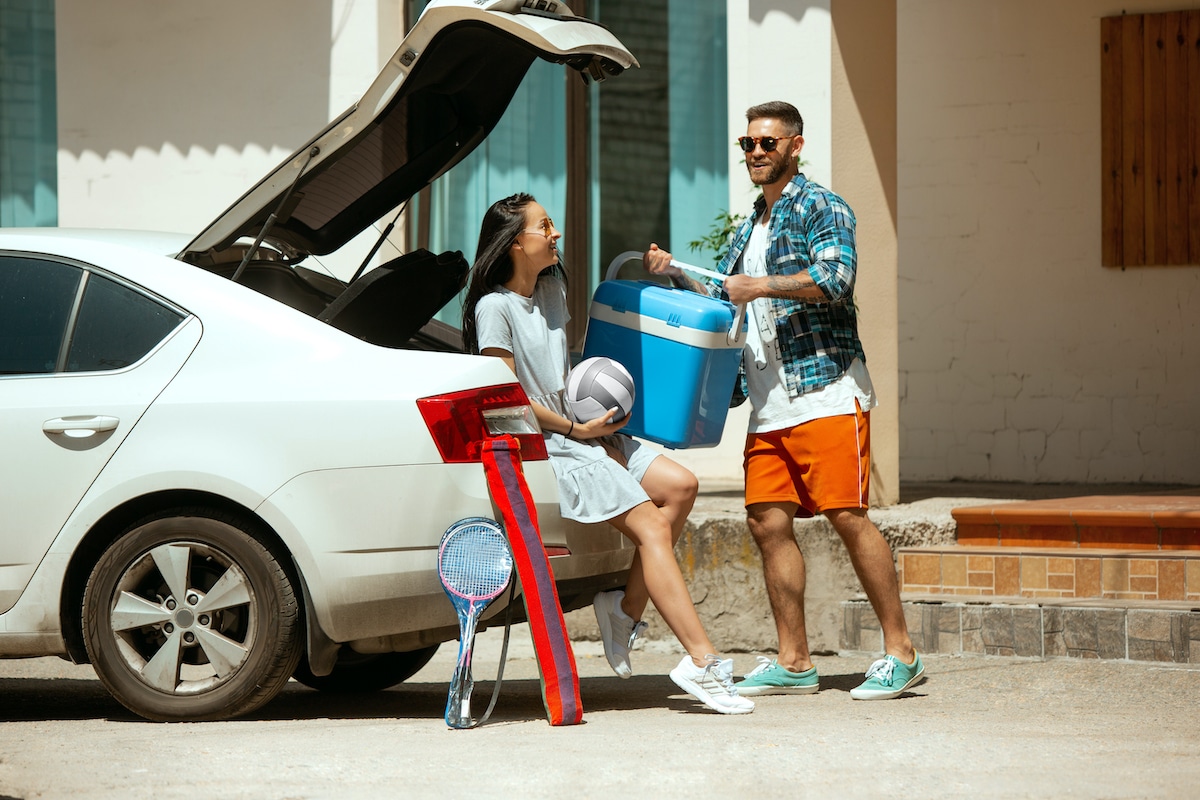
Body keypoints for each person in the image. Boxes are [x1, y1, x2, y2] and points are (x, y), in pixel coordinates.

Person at [644, 101, 924, 701]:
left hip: (825, 387)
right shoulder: (750, 225)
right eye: (747, 144)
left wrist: (762, 284)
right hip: (770, 402)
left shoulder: (823, 207)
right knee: (768, 523)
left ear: (795, 146)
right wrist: (676, 275)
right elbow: (728, 297)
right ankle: (795, 661)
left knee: (848, 515)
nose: (755, 153)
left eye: (767, 143)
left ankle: (901, 652)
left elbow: (835, 279)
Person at [461, 192, 753, 715]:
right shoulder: (493, 308)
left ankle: (623, 610)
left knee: (682, 487)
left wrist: (659, 275)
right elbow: (509, 399)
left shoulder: (551, 289)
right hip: (552, 443)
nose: (555, 233)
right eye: (543, 226)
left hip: (586, 428)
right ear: (512, 243)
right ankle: (702, 662)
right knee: (652, 526)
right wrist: (577, 428)